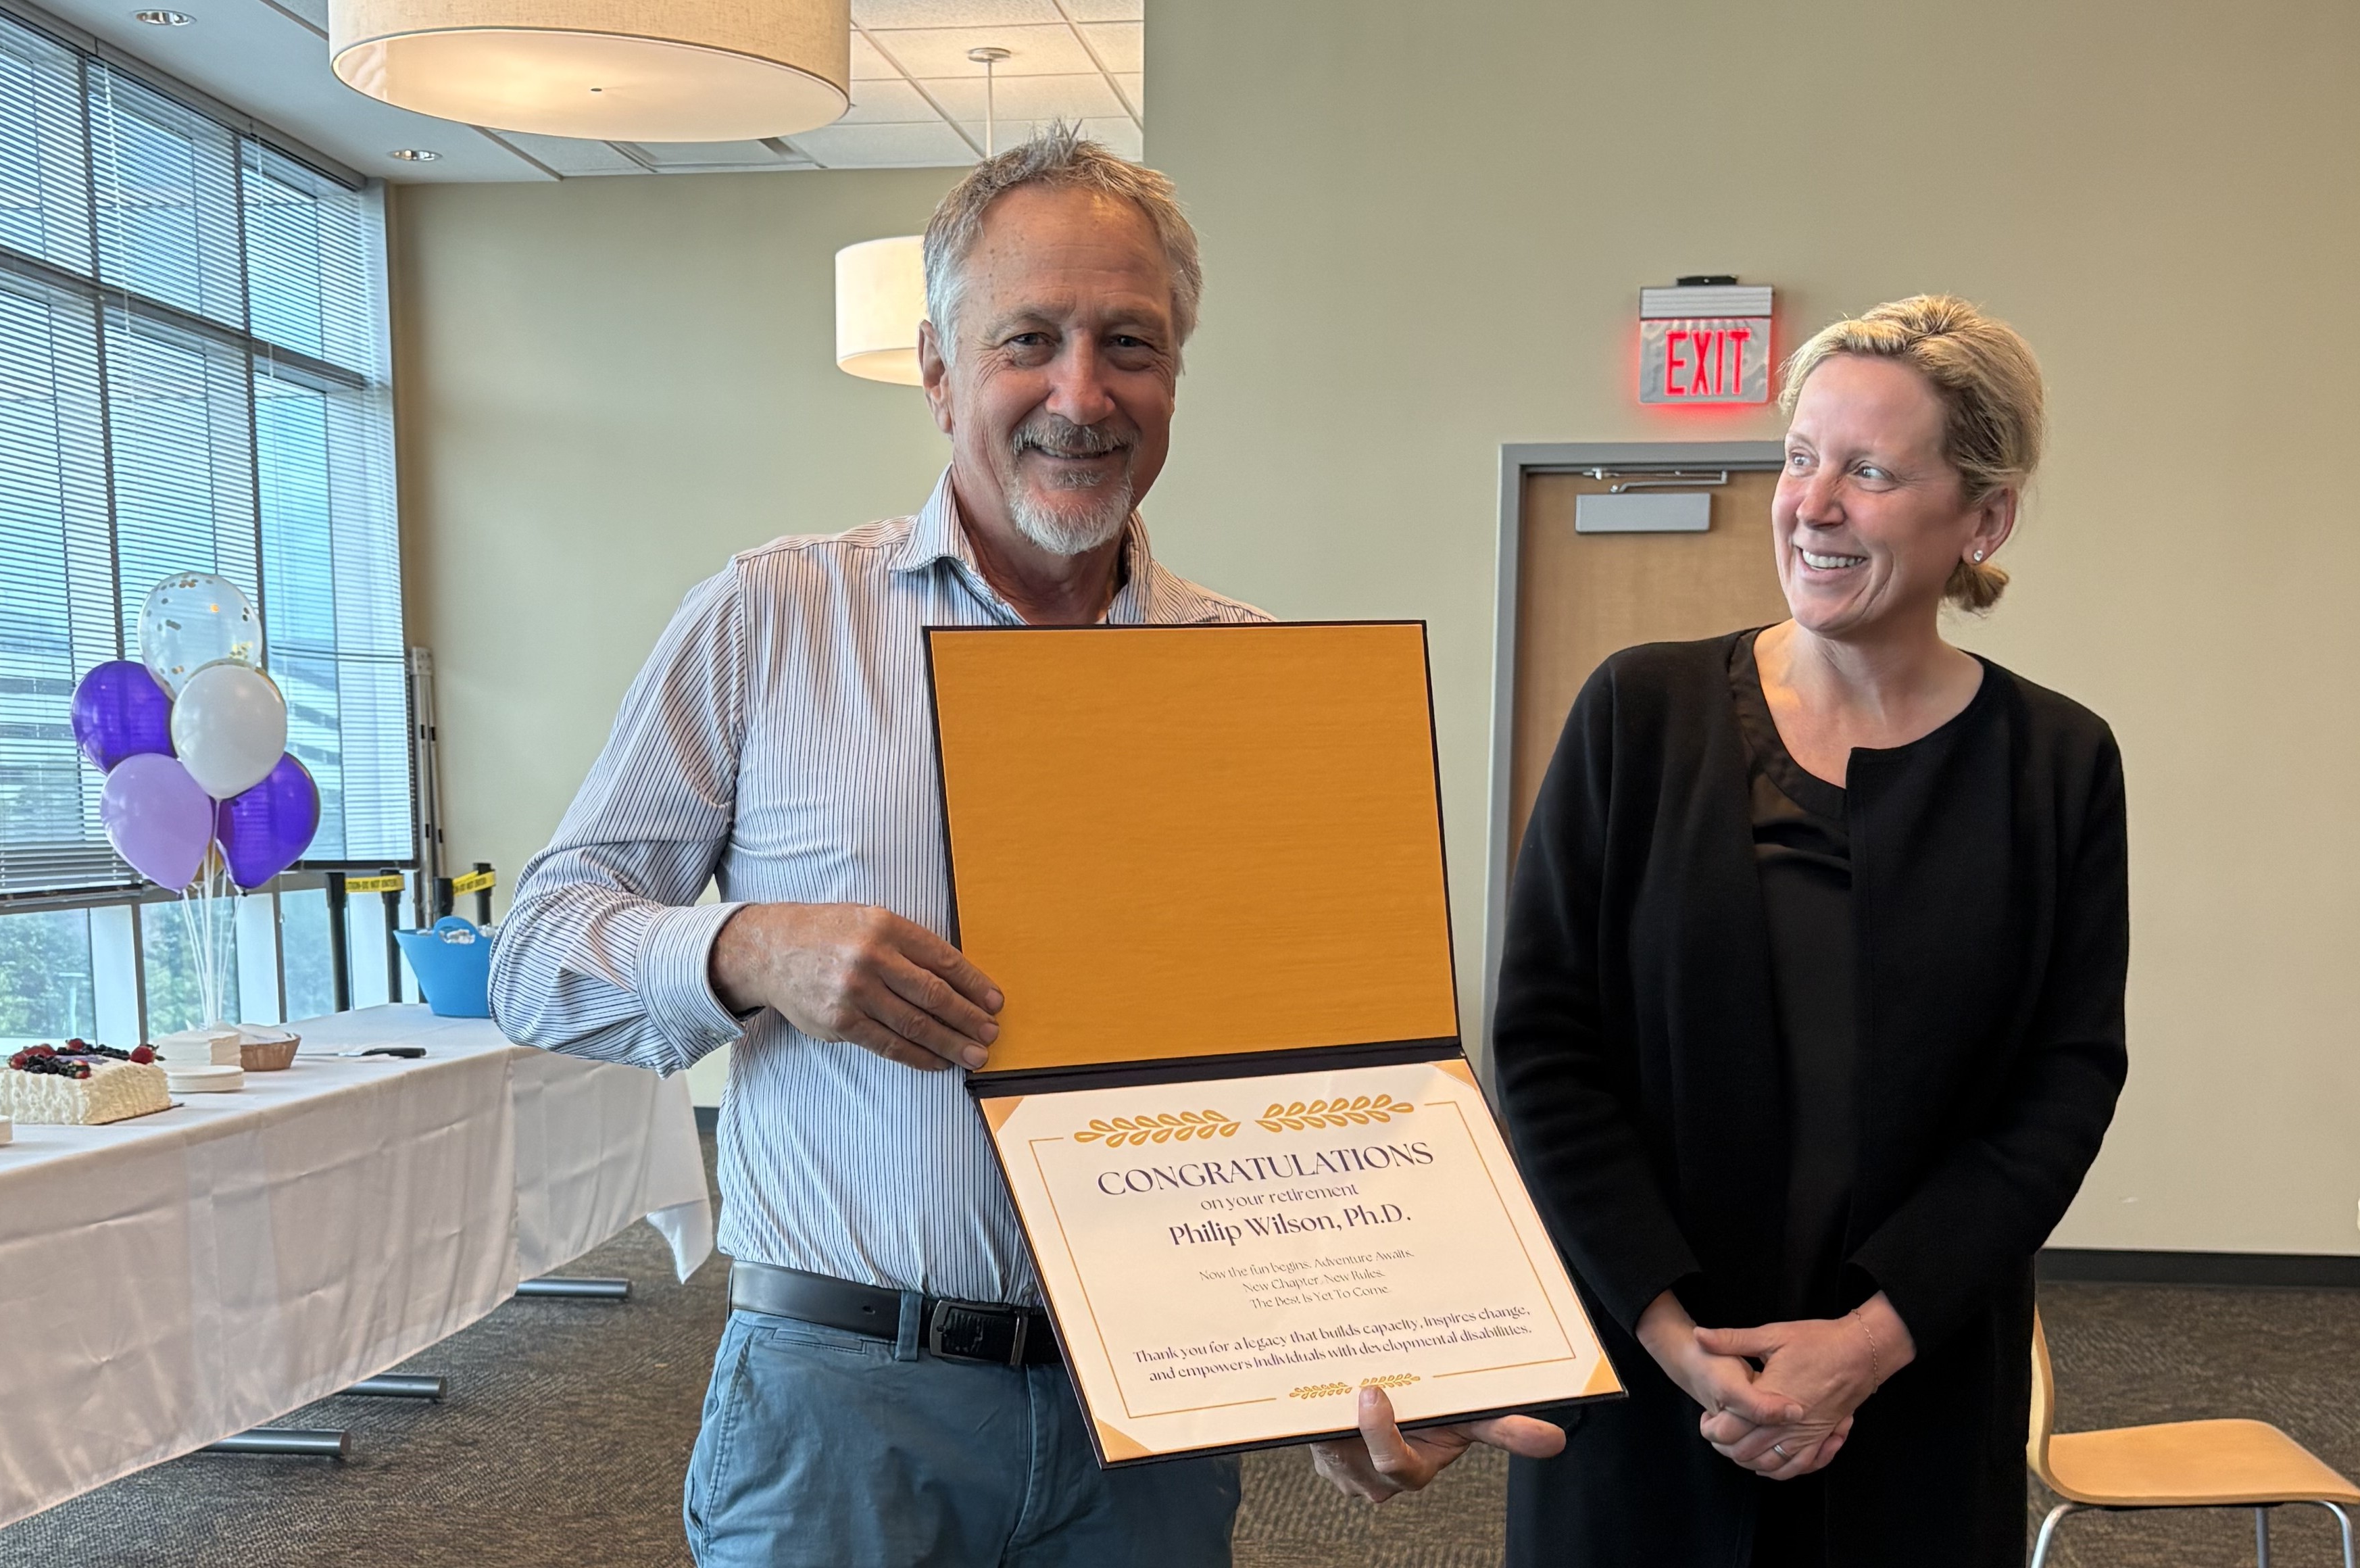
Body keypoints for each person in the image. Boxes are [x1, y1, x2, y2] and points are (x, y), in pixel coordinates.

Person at [489, 124, 1552, 1568]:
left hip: (1152, 1419)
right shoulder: (769, 618)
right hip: (844, 1407)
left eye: (1128, 340)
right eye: (1026, 339)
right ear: (937, 372)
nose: (1080, 390)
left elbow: (1311, 1067)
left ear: (1175, 374)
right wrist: (747, 948)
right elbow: (541, 949)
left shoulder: (1251, 677)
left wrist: (1349, 1346)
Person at [1492, 295, 2130, 1565]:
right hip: (1646, 1373)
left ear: (1982, 520)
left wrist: (1869, 1343)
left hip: (1915, 1384)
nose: (1812, 503)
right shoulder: (1638, 712)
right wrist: (1674, 1338)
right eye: (1799, 457)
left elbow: (2061, 1088)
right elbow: (1544, 1046)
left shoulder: (2056, 762)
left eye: (1871, 472)